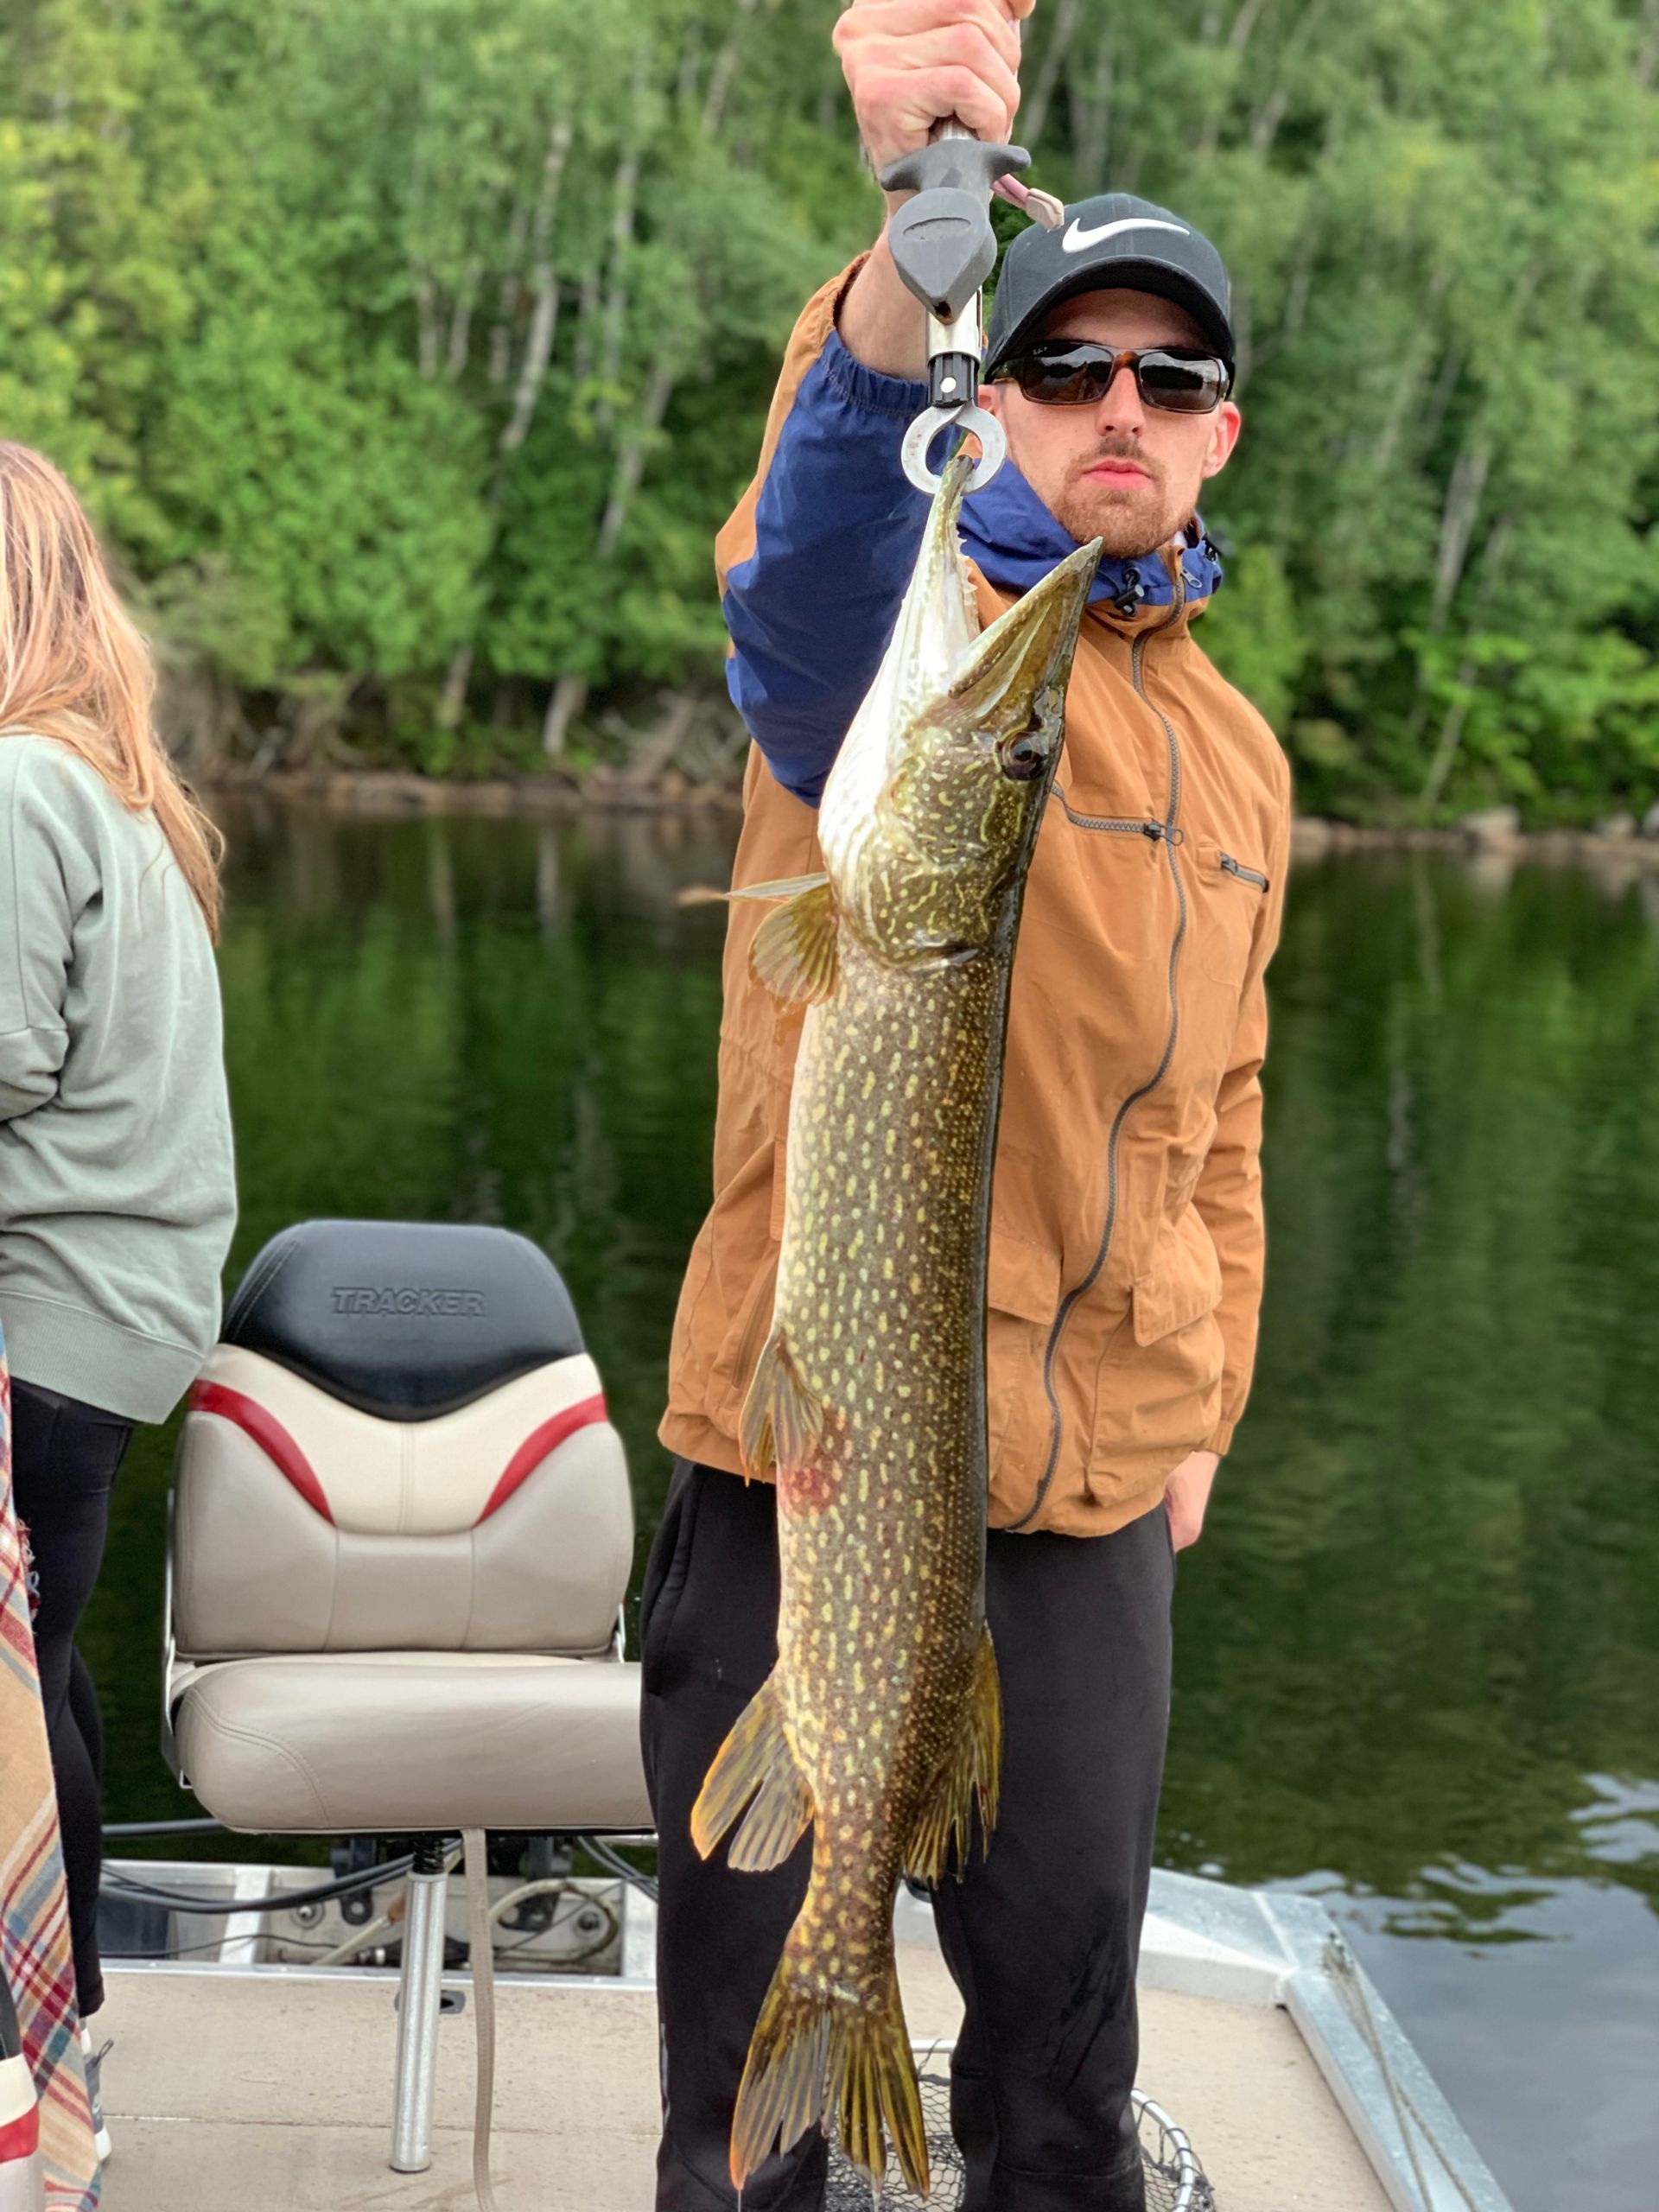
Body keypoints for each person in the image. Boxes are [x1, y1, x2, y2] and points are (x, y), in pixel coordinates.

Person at [641, 2, 1293, 2206]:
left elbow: (1225, 1118)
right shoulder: (902, 651)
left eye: (1168, 378)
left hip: (1094, 1496)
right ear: (995, 404)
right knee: (742, 2113)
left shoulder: (1245, 759)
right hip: (807, 1449)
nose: (1121, 406)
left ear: (1218, 433)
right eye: (1068, 366)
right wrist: (906, 252)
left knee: (1062, 2097)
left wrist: (1201, 1402)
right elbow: (817, 544)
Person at [0, 442, 237, 2145]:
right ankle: (60, 2025)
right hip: (118, 1324)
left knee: (12, 1703)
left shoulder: (20, 788)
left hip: (40, 1316)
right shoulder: (125, 790)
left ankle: (30, 2057)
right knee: (44, 1684)